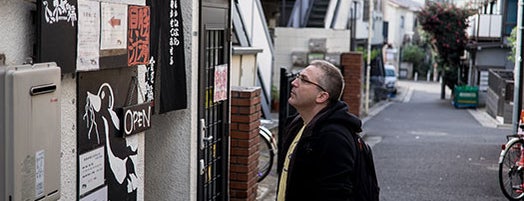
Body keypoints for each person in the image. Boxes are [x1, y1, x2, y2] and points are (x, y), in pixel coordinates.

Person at [277, 60, 363, 201]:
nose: (294, 82)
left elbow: (335, 194)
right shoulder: (298, 124)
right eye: (298, 76)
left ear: (322, 96)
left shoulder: (334, 138)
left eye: (304, 80)